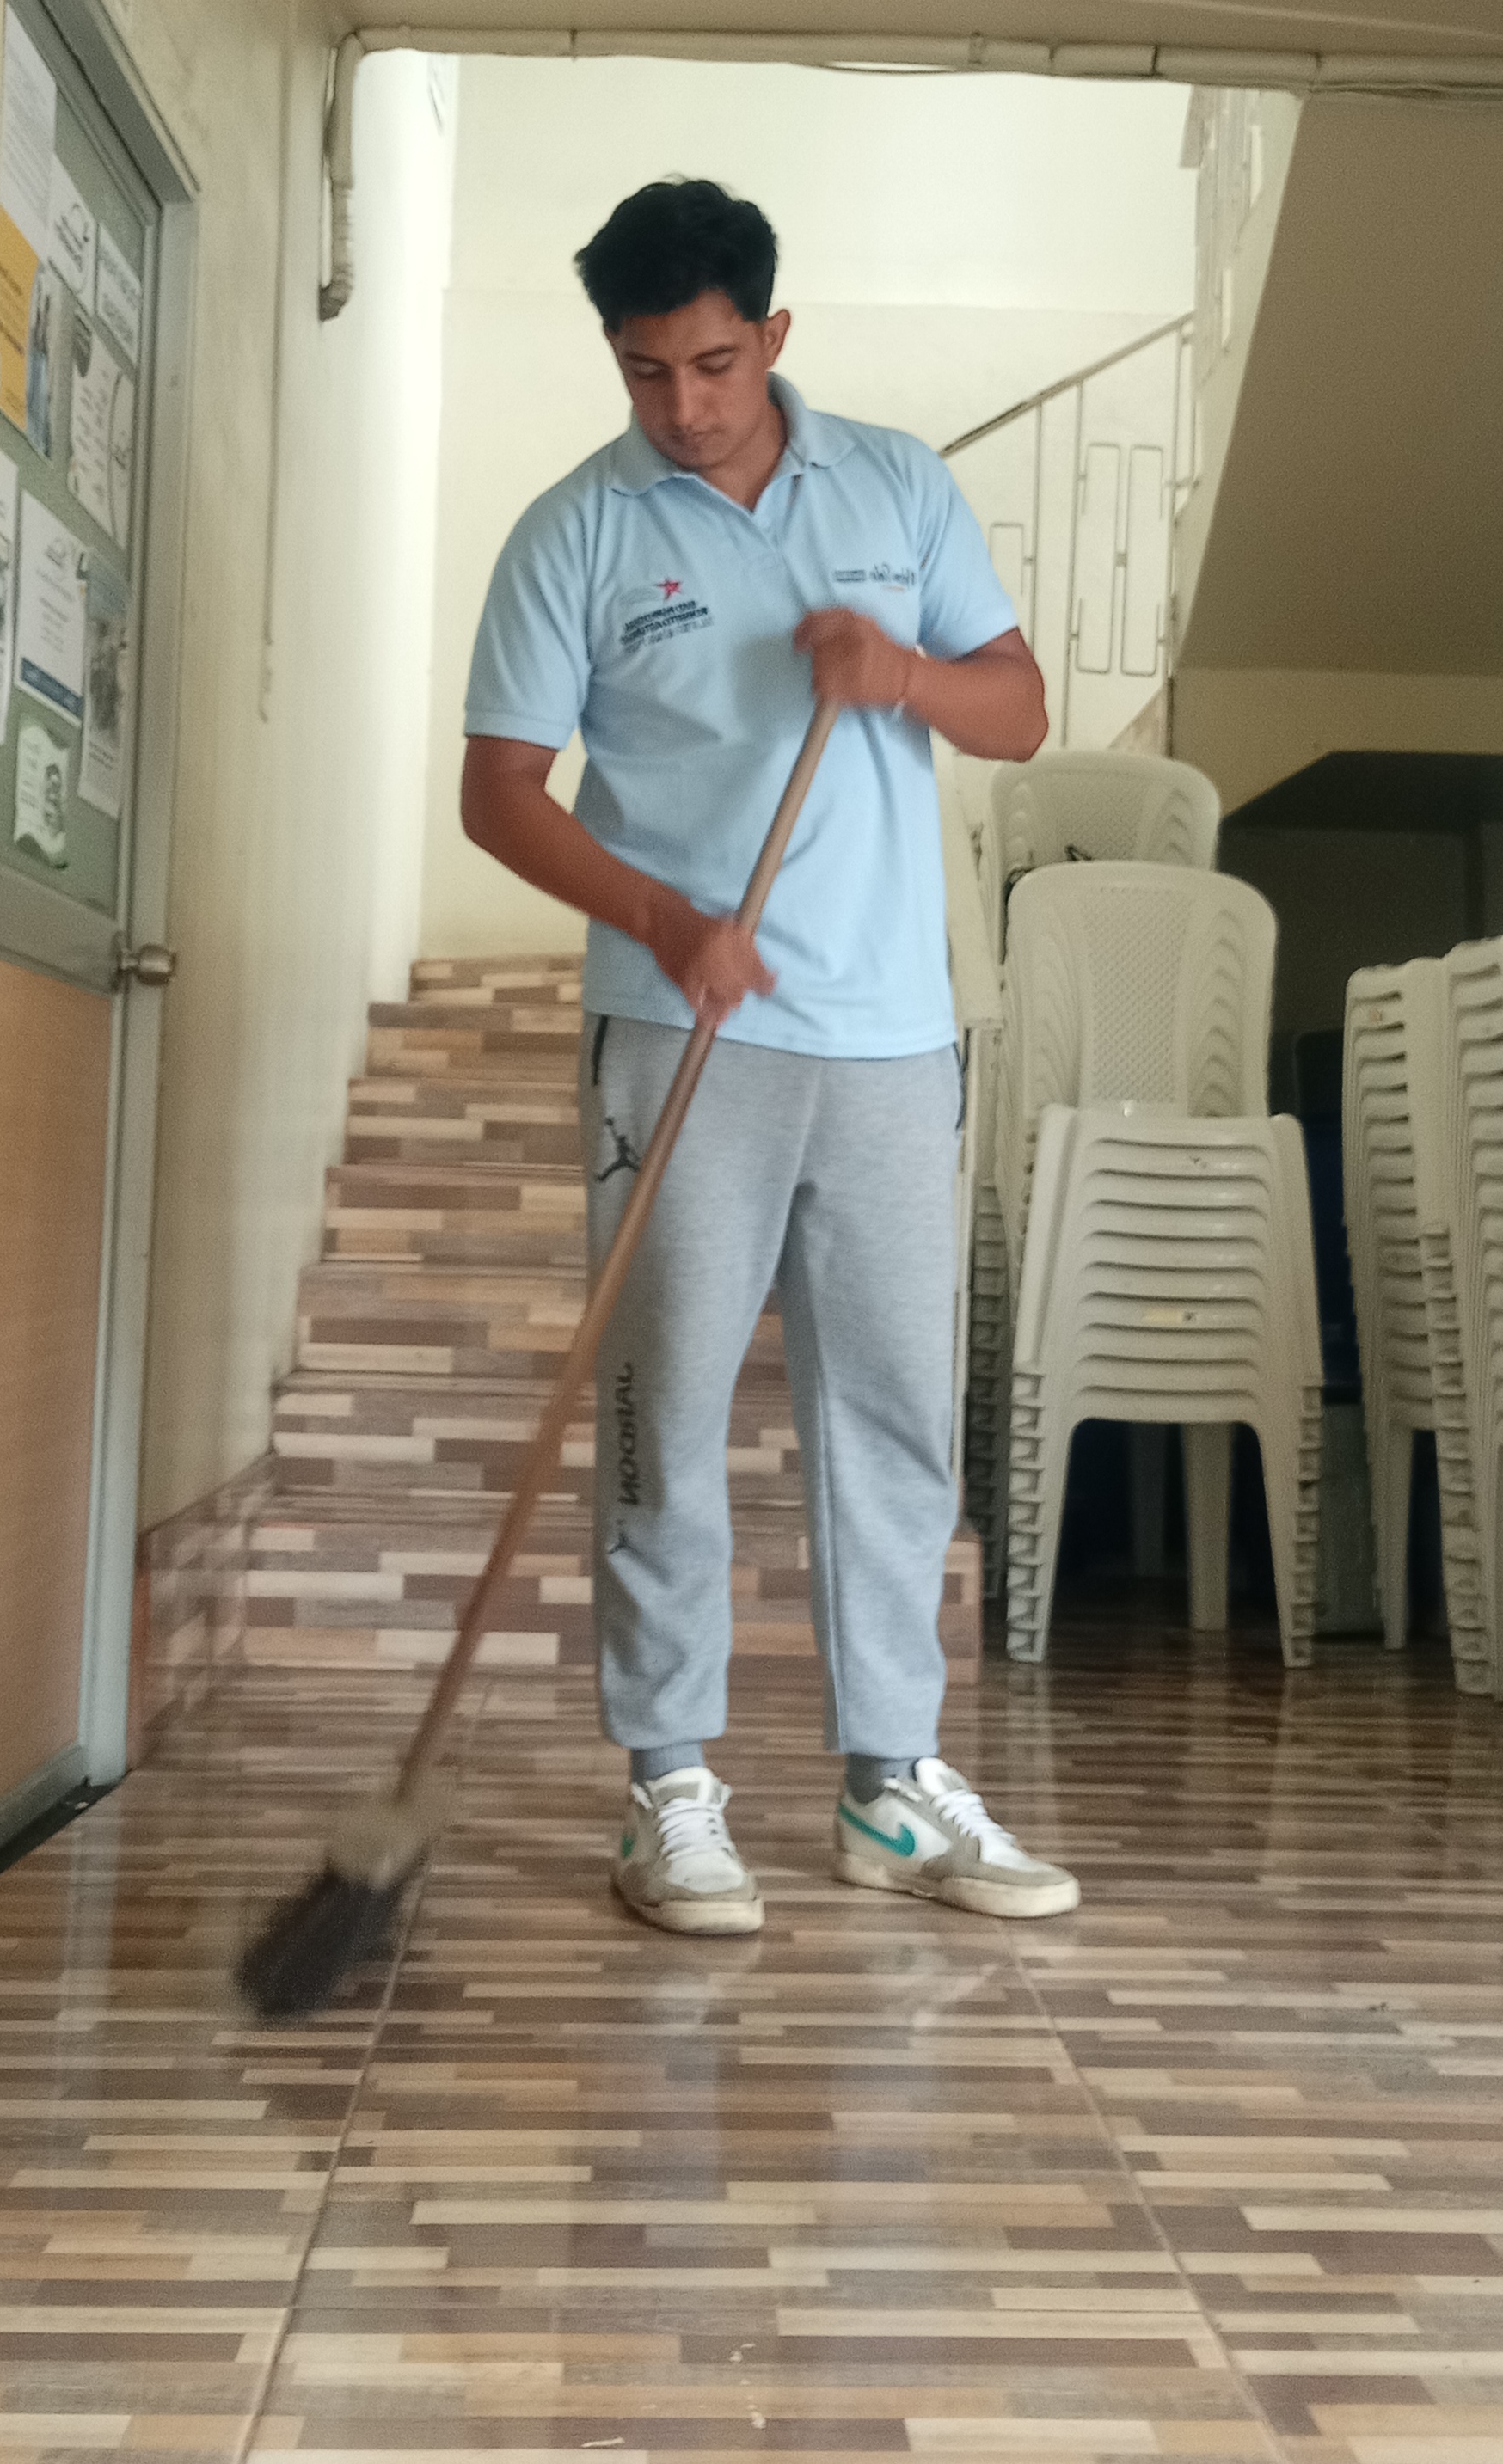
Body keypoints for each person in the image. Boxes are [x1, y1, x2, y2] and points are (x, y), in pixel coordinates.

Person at [462, 178, 1079, 1936]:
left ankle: (891, 1783)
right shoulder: (572, 532)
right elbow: (498, 792)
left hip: (887, 1037)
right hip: (685, 1033)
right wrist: (663, 919)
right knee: (661, 1412)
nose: (685, 405)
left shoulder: (896, 487)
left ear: (773, 335)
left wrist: (902, 674)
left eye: (715, 364)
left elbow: (1021, 705)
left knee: (892, 1417)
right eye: (646, 371)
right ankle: (669, 1786)